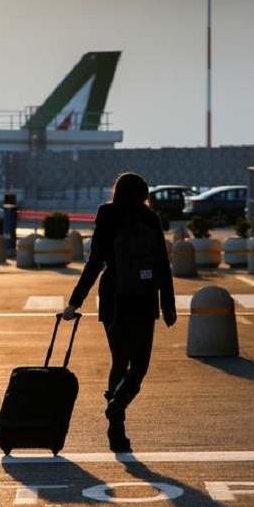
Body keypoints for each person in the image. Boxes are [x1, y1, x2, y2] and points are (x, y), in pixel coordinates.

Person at [62, 171, 177, 453]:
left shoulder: (107, 214)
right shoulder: (150, 218)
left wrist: (74, 302)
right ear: (144, 194)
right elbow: (163, 264)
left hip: (114, 298)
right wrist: (168, 306)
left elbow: (95, 262)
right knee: (139, 367)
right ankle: (117, 405)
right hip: (145, 299)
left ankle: (116, 427)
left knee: (119, 361)